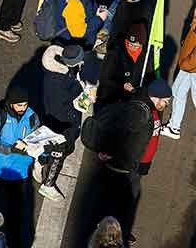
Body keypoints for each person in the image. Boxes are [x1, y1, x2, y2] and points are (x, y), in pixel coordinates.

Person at [96, 79, 169, 243]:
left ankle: (122, 230)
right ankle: (111, 232)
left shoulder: (151, 108)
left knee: (127, 201)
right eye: (166, 101)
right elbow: (123, 134)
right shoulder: (141, 112)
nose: (167, 105)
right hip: (130, 164)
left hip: (139, 164)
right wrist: (110, 152)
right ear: (156, 97)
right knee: (119, 200)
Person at [0, 84, 39, 246]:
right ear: (11, 103)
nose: (23, 108)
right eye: (19, 105)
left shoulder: (32, 116)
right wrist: (10, 149)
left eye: (25, 104)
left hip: (19, 172)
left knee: (15, 214)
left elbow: (36, 137)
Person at [38, 44, 92, 200]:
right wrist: (81, 92)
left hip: (63, 119)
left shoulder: (61, 71)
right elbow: (61, 103)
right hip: (61, 123)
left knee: (62, 148)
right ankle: (48, 184)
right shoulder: (58, 81)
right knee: (60, 152)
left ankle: (41, 160)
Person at [97, 23, 149, 107]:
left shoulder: (145, 55)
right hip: (111, 99)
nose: (131, 47)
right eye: (129, 44)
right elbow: (104, 78)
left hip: (130, 101)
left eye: (135, 46)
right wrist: (122, 85)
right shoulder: (115, 52)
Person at [161, 14, 196, 139]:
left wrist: (188, 62)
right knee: (178, 90)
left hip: (192, 63)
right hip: (190, 57)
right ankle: (174, 127)